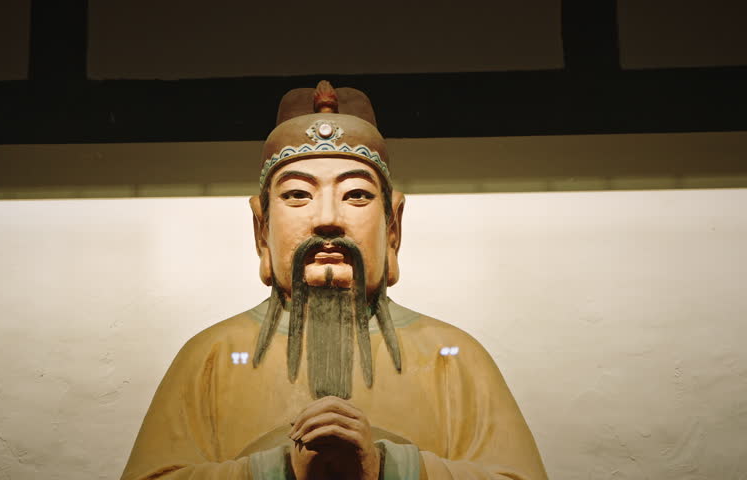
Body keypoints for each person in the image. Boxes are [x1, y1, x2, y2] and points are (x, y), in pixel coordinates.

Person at [121, 82, 548, 479]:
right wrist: (278, 468)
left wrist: (388, 466)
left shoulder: (452, 358)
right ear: (261, 228)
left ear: (393, 226)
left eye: (357, 195)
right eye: (297, 195)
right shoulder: (211, 357)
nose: (327, 219)